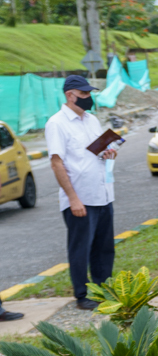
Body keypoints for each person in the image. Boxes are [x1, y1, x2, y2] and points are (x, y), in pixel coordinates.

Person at [44, 75, 119, 311]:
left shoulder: (92, 120)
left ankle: (103, 289)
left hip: (103, 193)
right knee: (81, 248)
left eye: (89, 94)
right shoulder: (56, 123)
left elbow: (98, 150)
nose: (89, 98)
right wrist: (73, 198)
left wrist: (110, 152)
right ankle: (82, 295)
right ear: (70, 95)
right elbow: (57, 163)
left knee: (104, 247)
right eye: (84, 95)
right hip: (80, 198)